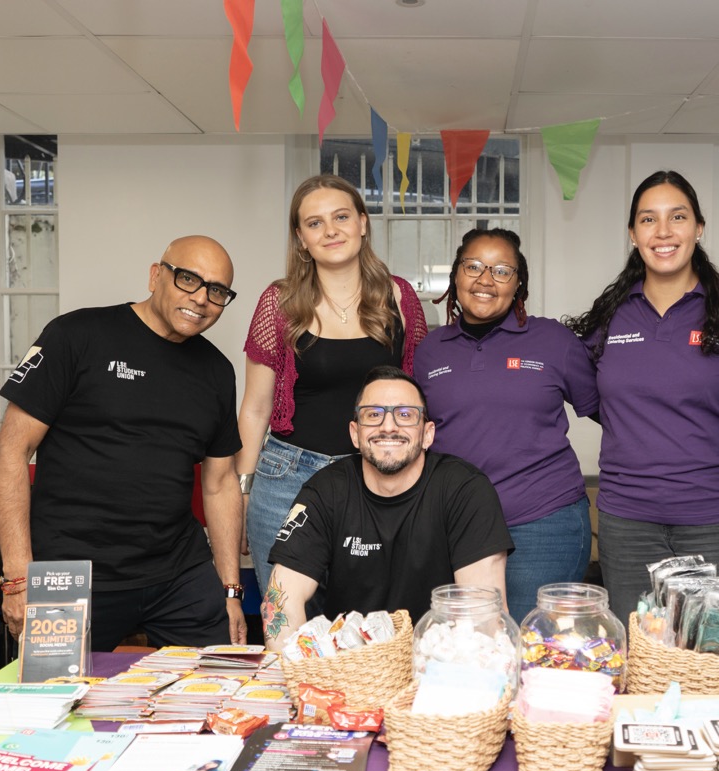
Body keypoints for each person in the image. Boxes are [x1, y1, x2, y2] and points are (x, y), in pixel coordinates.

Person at [0, 235, 247, 651]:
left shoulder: (218, 371)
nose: (201, 298)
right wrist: (19, 577)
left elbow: (219, 483)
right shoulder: (75, 335)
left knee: (215, 693)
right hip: (69, 571)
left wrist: (230, 590)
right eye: (188, 279)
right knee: (54, 705)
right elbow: (10, 453)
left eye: (216, 290)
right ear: (155, 276)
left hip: (177, 572)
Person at [566, 171, 719, 616]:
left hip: (713, 516)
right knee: (640, 645)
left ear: (699, 227)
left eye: (678, 217)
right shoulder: (612, 313)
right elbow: (599, 402)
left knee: (708, 649)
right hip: (626, 517)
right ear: (633, 234)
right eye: (648, 220)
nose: (664, 231)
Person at [238, 175, 428, 607]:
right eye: (315, 223)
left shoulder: (399, 297)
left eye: (341, 217)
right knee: (286, 614)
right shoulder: (280, 302)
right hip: (287, 476)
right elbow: (255, 407)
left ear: (362, 223)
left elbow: (416, 394)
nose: (331, 231)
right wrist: (242, 492)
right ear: (301, 240)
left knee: (371, 616)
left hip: (377, 475)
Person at [414, 228, 598, 622]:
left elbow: (612, 411)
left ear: (519, 285)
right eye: (474, 266)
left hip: (544, 521)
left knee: (527, 646)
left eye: (501, 270)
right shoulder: (429, 351)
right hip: (456, 524)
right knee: (467, 645)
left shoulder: (554, 341)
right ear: (456, 277)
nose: (485, 279)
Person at [260, 366, 512, 650]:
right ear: (355, 434)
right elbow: (281, 600)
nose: (388, 426)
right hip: (351, 669)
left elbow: (484, 617)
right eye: (373, 414)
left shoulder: (466, 490)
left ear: (428, 434)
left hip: (441, 667)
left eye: (405, 415)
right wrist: (297, 674)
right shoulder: (325, 490)